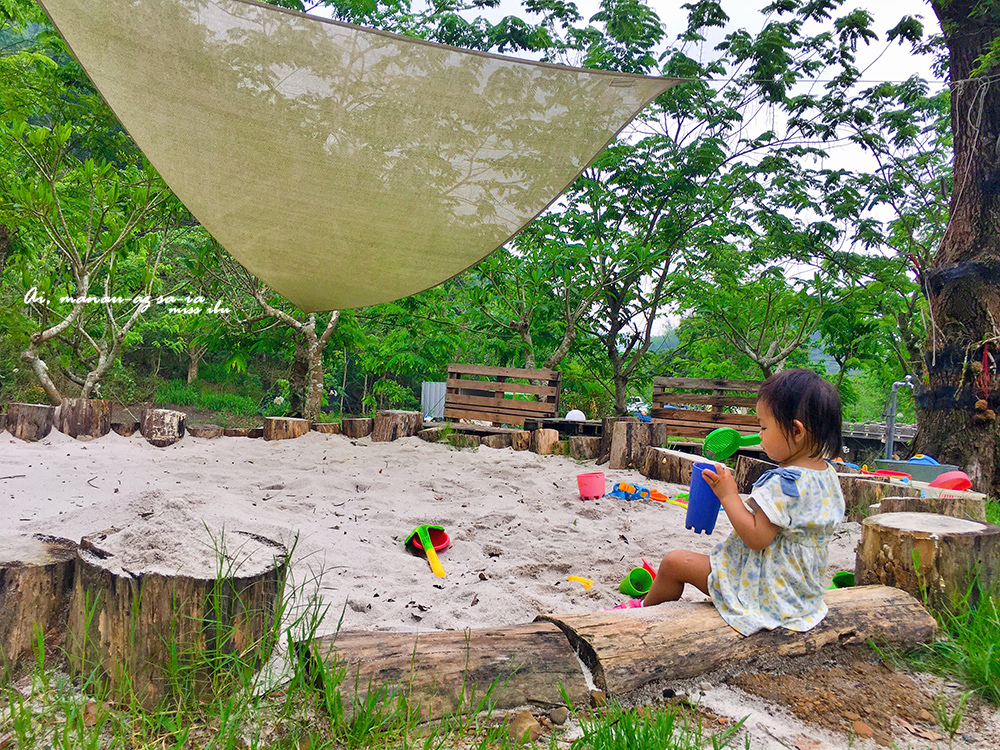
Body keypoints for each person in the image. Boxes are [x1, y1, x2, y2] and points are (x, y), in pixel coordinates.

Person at [612, 368, 845, 636]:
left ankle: (639, 612)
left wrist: (728, 495)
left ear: (796, 431)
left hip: (764, 591)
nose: (759, 435)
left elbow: (757, 538)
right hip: (800, 594)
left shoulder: (785, 482)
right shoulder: (827, 475)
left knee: (674, 563)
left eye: (764, 426)